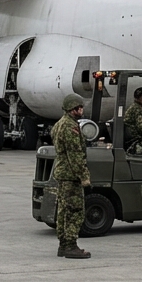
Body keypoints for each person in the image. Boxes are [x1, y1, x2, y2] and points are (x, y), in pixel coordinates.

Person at [52, 93, 92, 259]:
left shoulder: (60, 124)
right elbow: (75, 154)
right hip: (71, 175)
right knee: (75, 211)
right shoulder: (71, 128)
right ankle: (70, 245)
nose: (81, 110)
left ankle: (63, 244)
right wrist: (84, 176)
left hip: (63, 173)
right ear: (72, 109)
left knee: (63, 210)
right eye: (78, 108)